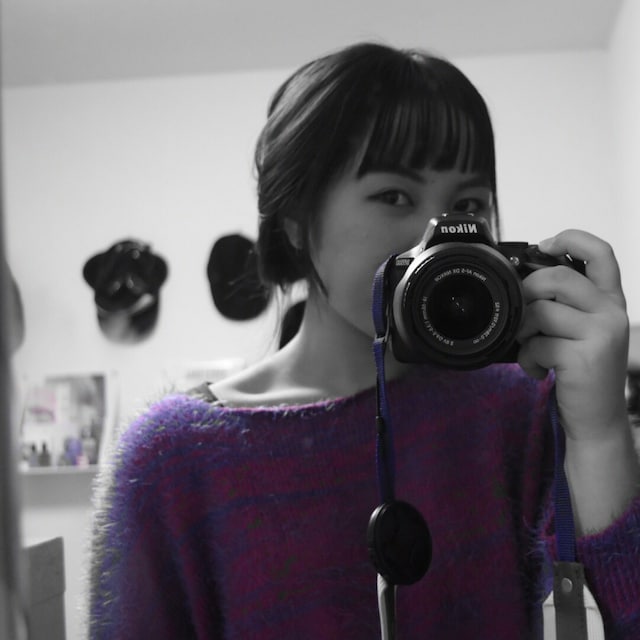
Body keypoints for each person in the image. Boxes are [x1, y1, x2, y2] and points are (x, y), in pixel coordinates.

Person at [85, 42, 640, 639]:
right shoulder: (172, 460)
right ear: (296, 218)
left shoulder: (520, 408)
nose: (436, 234)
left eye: (468, 203)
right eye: (394, 196)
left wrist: (602, 435)